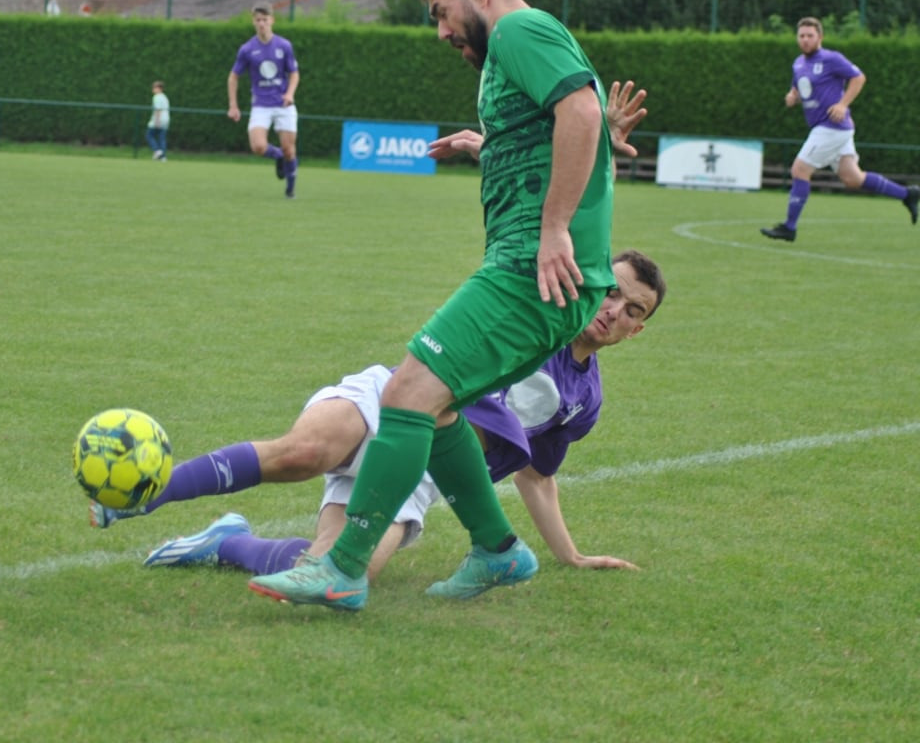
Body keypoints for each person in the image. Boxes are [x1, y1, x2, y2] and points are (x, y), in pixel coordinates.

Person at [243, 0, 617, 611]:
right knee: (440, 406)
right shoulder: (513, 49)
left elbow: (582, 113)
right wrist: (487, 143)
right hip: (534, 275)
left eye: (442, 12)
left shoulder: (519, 30)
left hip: (530, 274)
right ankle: (499, 552)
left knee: (407, 394)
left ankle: (342, 567)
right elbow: (556, 125)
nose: (442, 31)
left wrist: (555, 227)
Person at [128, 250, 664, 586]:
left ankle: (224, 541)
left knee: (337, 569)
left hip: (427, 471)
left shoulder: (583, 401)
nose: (614, 309)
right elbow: (552, 216)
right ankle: (151, 491)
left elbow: (538, 477)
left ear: (635, 330)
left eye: (632, 309)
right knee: (303, 454)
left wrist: (570, 556)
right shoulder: (546, 299)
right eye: (611, 291)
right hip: (393, 398)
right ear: (592, 280)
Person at [760, 17, 918, 242]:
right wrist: (792, 96)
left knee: (799, 170)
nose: (805, 40)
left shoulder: (831, 59)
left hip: (831, 127)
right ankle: (908, 194)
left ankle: (789, 227)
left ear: (820, 37)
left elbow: (858, 77)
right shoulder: (798, 63)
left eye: (810, 36)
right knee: (853, 178)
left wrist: (843, 104)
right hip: (830, 129)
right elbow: (798, 86)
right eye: (801, 36)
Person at [227, 2, 300, 198]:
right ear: (253, 22)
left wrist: (290, 93)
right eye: (258, 20)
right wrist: (233, 105)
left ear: (272, 21)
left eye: (265, 20)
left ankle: (290, 188)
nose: (261, 24)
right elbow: (233, 77)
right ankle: (278, 157)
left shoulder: (284, 46)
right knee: (258, 147)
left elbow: (294, 73)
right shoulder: (247, 49)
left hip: (284, 104)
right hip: (261, 104)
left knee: (289, 149)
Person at [145, 81, 170, 161]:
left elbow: (158, 110)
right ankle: (163, 156)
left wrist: (157, 121)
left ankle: (157, 150)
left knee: (149, 135)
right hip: (166, 120)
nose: (153, 89)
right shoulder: (164, 97)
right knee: (162, 138)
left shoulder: (157, 97)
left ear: (159, 88)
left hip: (159, 119)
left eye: (154, 88)